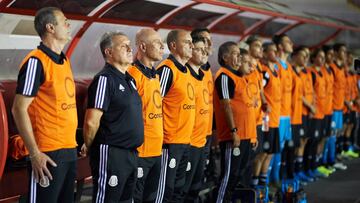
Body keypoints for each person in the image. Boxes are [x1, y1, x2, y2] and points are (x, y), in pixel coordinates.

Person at [12, 7, 78, 203]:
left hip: (69, 147)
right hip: (46, 151)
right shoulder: (35, 61)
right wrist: (34, 153)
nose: (68, 25)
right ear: (50, 27)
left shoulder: (63, 60)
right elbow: (18, 108)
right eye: (64, 21)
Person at [83, 31, 144, 203]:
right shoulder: (104, 79)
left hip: (131, 154)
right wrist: (89, 146)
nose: (129, 48)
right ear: (108, 52)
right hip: (111, 153)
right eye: (123, 45)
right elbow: (91, 121)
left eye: (129, 44)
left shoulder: (130, 80)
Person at [155, 29, 195, 203]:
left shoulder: (186, 70)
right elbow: (156, 103)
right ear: (173, 46)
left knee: (179, 189)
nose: (191, 45)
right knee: (165, 190)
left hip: (186, 141)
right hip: (169, 142)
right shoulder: (166, 69)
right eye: (187, 42)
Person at [214, 42, 256, 203]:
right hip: (233, 136)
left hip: (244, 135)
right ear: (225, 58)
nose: (239, 56)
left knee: (237, 174)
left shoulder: (239, 77)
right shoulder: (224, 75)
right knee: (228, 176)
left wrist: (251, 135)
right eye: (235, 53)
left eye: (240, 53)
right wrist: (234, 131)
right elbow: (226, 105)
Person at [127, 28, 165, 203]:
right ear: (142, 46)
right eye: (157, 42)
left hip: (156, 149)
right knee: (136, 197)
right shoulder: (133, 74)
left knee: (151, 197)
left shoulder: (155, 74)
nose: (161, 46)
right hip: (141, 151)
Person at [181, 36, 209, 202]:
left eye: (205, 49)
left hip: (202, 140)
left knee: (195, 187)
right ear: (190, 51)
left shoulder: (203, 75)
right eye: (199, 49)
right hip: (188, 142)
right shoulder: (185, 74)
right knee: (182, 188)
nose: (204, 52)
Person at [190, 28, 215, 183]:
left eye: (209, 41)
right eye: (204, 41)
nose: (208, 45)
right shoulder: (187, 70)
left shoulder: (206, 69)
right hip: (191, 135)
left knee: (199, 176)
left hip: (206, 131)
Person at [270, 34, 293, 186]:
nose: (291, 43)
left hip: (287, 114)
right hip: (276, 115)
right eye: (287, 41)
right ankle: (268, 181)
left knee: (281, 147)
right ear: (280, 46)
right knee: (273, 150)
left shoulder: (288, 67)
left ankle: (276, 179)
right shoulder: (275, 66)